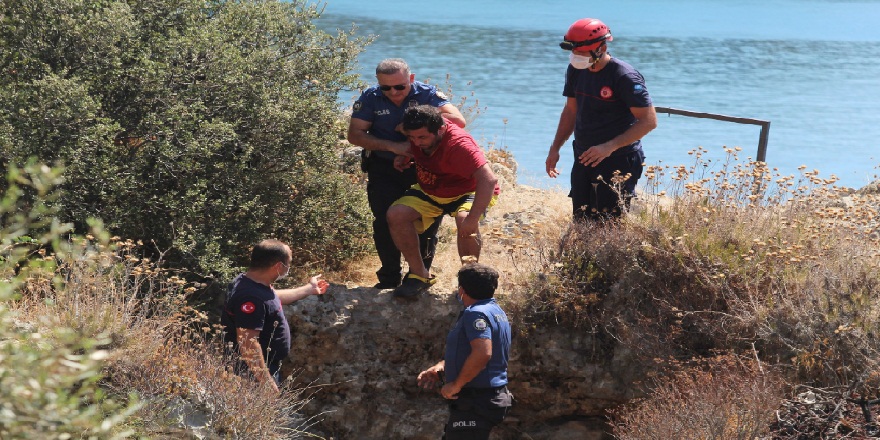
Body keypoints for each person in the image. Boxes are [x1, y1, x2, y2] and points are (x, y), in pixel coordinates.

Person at [348, 58, 467, 289]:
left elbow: (457, 121)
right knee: (384, 222)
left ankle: (418, 276)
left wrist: (409, 127)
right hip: (383, 168)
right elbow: (355, 135)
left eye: (400, 86)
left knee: (426, 223)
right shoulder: (370, 98)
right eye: (386, 88)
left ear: (410, 79)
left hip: (423, 168)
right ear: (378, 84)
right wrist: (393, 147)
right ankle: (389, 277)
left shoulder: (426, 94)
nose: (393, 92)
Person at [545, 18, 658, 221]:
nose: (576, 57)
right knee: (581, 220)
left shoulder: (624, 76)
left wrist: (609, 147)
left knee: (609, 224)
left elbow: (649, 121)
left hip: (618, 160)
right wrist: (555, 148)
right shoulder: (575, 70)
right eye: (574, 52)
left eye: (581, 52)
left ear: (601, 48)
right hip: (584, 157)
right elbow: (570, 111)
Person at [388, 105, 500, 298]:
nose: (416, 141)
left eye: (422, 138)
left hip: (467, 190)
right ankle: (420, 276)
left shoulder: (459, 145)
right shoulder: (415, 130)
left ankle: (470, 284)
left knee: (464, 220)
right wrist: (406, 155)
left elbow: (488, 180)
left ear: (439, 130)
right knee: (396, 215)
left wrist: (472, 220)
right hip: (433, 190)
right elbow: (414, 142)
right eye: (412, 137)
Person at [417, 264, 513, 439]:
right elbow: (471, 352)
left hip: (478, 399)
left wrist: (456, 385)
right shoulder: (495, 311)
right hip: (486, 397)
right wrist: (441, 368)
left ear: (462, 289)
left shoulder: (475, 314)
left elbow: (483, 353)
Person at [221, 239, 329, 393]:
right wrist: (266, 382)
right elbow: (247, 342)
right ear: (278, 266)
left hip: (262, 368)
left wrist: (309, 289)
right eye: (289, 263)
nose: (289, 267)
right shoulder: (251, 298)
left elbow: (271, 299)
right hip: (251, 375)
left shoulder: (248, 283)